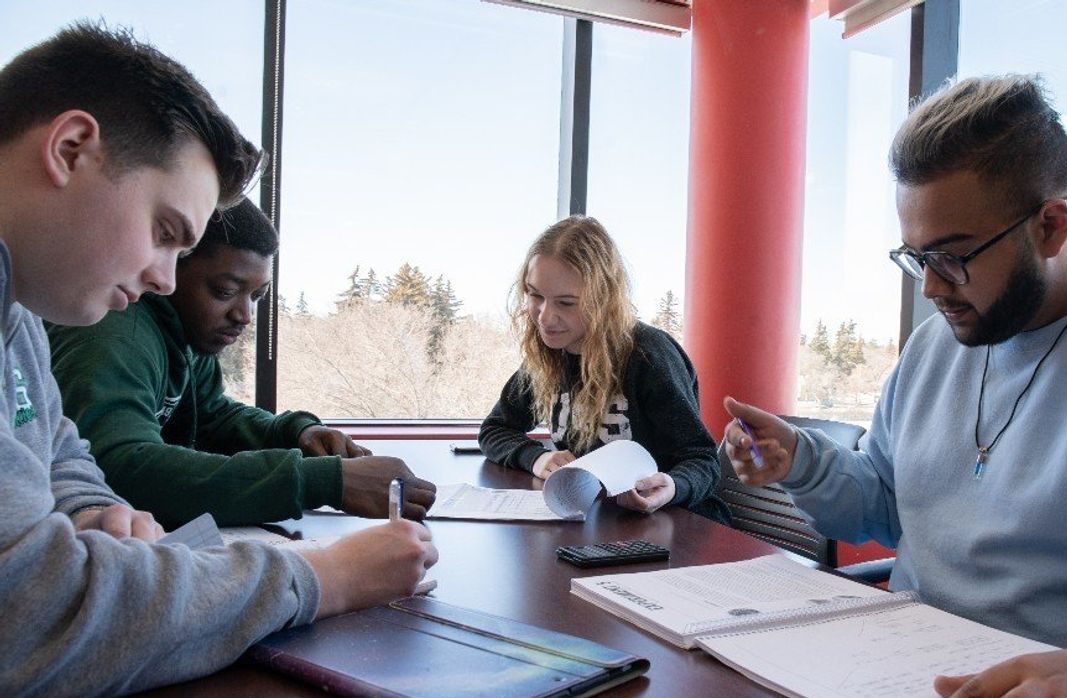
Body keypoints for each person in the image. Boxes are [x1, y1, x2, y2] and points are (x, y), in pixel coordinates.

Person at [724, 75, 1067, 697]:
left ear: (1051, 226)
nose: (932, 288)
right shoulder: (933, 348)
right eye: (917, 257)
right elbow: (892, 506)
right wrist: (802, 462)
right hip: (900, 669)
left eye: (952, 257)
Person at [0, 23, 436, 695]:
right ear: (70, 148)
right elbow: (28, 619)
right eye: (164, 233)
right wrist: (323, 576)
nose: (165, 282)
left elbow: (61, 452)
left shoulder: (19, 317)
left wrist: (92, 511)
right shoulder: (80, 318)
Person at [47, 198, 437, 527]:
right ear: (169, 270)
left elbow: (214, 416)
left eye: (256, 296)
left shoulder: (184, 337)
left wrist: (294, 433)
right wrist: (325, 481)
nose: (244, 315)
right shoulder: (115, 335)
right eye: (225, 291)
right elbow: (119, 466)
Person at [479, 215, 727, 522]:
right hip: (600, 525)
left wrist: (673, 486)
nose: (544, 317)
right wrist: (537, 458)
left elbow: (702, 460)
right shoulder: (548, 357)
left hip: (678, 525)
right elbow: (495, 429)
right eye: (535, 295)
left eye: (566, 303)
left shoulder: (648, 354)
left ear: (603, 300)